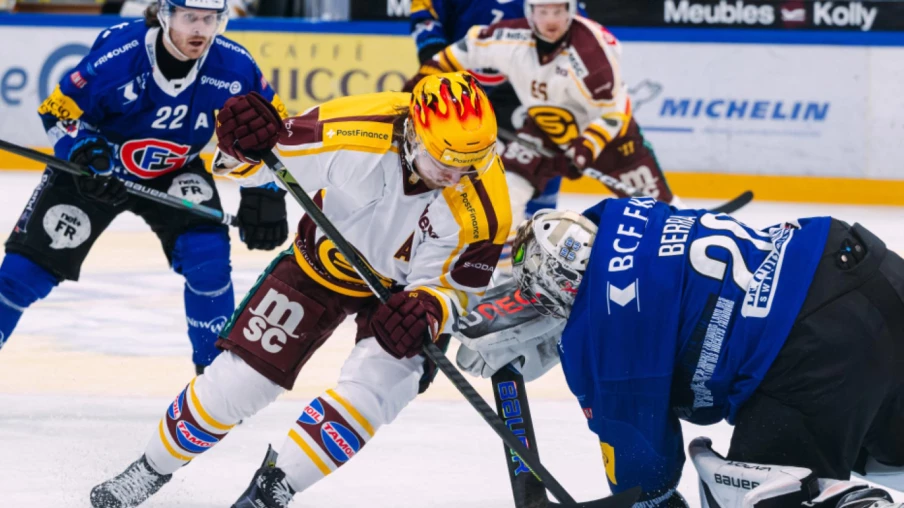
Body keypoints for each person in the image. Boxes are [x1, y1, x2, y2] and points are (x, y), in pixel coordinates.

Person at [89, 71, 512, 508]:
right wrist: (240, 143)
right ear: (413, 134)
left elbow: (456, 288)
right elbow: (260, 163)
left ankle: (274, 488)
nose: (456, 173)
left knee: (379, 388)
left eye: (471, 161)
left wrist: (430, 308)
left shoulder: (486, 205)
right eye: (444, 159)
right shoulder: (353, 128)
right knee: (239, 381)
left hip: (399, 297)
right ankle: (148, 469)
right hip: (319, 264)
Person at [447, 197, 904, 507]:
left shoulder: (608, 339)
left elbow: (644, 466)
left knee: (745, 491)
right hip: (865, 267)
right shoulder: (626, 213)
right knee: (891, 447)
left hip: (812, 353)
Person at [0, 0, 289, 374]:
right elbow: (56, 110)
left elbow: (274, 128)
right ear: (165, 15)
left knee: (208, 260)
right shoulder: (120, 54)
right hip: (97, 170)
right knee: (22, 274)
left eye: (209, 19)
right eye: (190, 18)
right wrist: (83, 152)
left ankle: (214, 382)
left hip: (175, 170)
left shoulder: (234, 65)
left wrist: (264, 192)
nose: (200, 30)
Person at [408, 0, 682, 265]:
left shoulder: (592, 54)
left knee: (658, 212)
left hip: (610, 139)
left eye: (558, 11)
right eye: (543, 11)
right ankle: (502, 271)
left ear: (571, 12)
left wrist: (586, 147)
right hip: (544, 127)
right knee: (507, 189)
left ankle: (687, 250)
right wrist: (425, 79)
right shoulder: (511, 37)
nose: (550, 20)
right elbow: (463, 51)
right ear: (530, 12)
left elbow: (614, 113)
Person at [410, 0, 590, 226]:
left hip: (531, 93)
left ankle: (536, 231)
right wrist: (434, 56)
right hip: (463, 94)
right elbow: (426, 10)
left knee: (539, 167)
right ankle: (445, 231)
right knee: (453, 172)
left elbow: (578, 31)